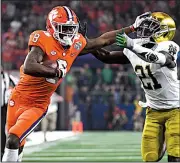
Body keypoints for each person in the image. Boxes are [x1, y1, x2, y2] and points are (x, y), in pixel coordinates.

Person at [2, 6, 149, 161]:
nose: (68, 33)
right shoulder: (42, 38)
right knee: (16, 145)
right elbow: (29, 66)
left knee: (13, 139)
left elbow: (104, 41)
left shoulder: (77, 42)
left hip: (37, 104)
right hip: (17, 98)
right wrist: (55, 72)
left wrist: (132, 29)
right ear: (52, 27)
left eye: (71, 29)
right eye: (64, 29)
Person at [92, 12, 180, 162]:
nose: (145, 29)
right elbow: (106, 56)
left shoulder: (168, 46)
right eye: (146, 25)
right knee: (149, 156)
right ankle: (163, 140)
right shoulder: (136, 46)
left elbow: (159, 58)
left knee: (175, 155)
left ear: (164, 31)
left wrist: (131, 45)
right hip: (153, 111)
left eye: (152, 26)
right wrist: (84, 44)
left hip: (176, 109)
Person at [1, 68, 17, 159]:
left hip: (4, 107)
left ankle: (2, 150)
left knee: (4, 129)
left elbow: (15, 87)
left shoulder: (7, 77)